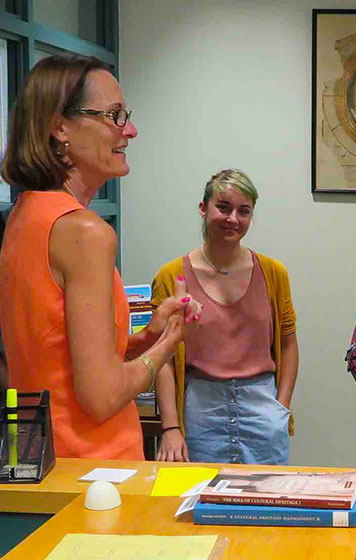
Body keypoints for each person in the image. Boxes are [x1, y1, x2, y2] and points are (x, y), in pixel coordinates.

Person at [0, 54, 201, 459]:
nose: (130, 130)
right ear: (60, 128)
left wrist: (146, 338)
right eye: (114, 115)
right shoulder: (85, 232)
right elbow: (101, 396)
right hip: (95, 471)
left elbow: (56, 356)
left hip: (42, 462)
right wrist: (169, 344)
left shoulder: (26, 214)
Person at [152, 169, 298, 465]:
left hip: (261, 404)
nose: (233, 218)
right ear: (203, 209)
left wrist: (280, 408)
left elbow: (288, 345)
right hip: (201, 409)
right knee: (202, 503)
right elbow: (162, 358)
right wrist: (170, 427)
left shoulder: (273, 273)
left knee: (266, 502)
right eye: (224, 207)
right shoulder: (171, 276)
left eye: (244, 211)